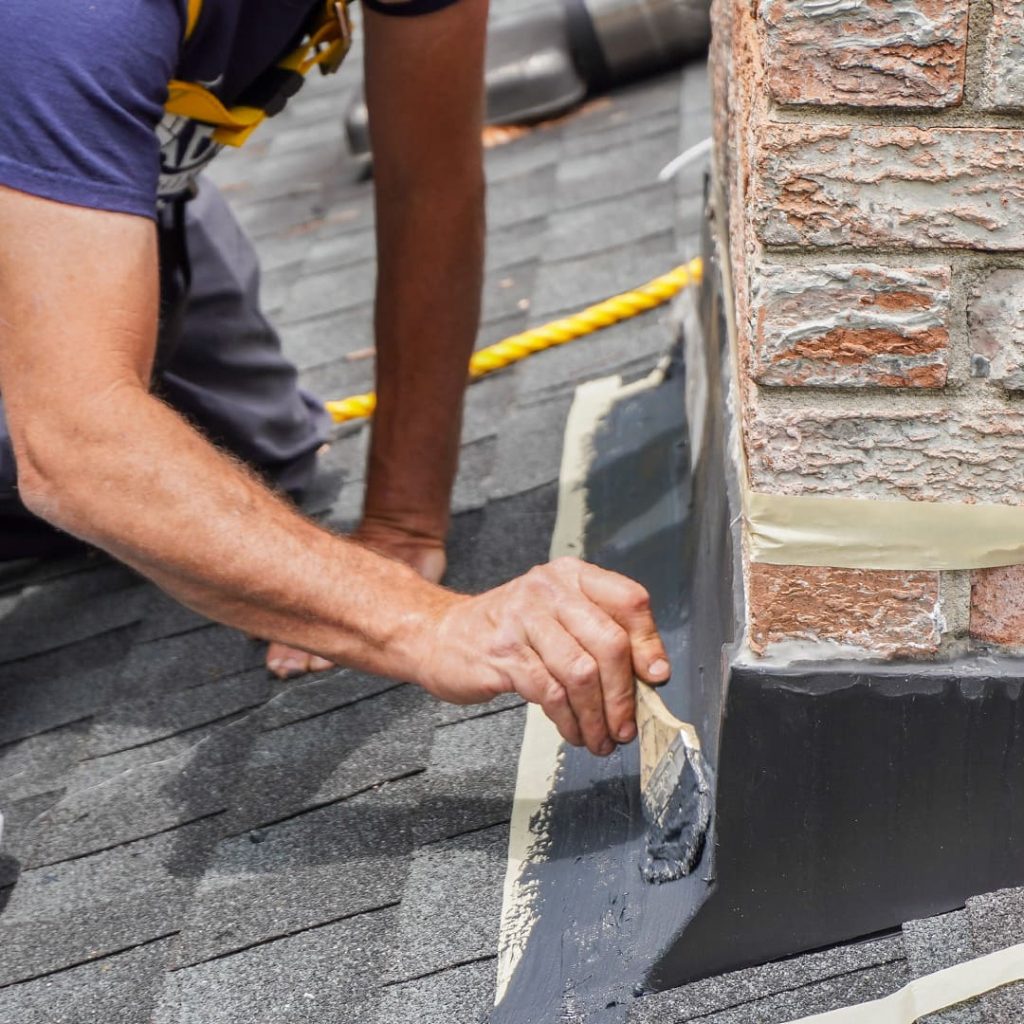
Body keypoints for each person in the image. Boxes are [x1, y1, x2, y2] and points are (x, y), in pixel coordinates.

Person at [0, 0, 671, 758]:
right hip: (40, 120)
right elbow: (76, 437)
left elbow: (428, 184)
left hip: (101, 160)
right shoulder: (73, 19)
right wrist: (431, 625)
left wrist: (402, 525)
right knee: (82, 470)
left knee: (252, 467)